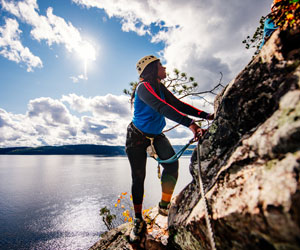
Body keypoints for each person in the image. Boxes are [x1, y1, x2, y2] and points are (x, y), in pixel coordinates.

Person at [125, 55, 214, 242]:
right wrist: (191, 125)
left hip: (156, 136)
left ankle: (164, 206)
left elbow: (177, 105)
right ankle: (138, 219)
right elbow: (161, 107)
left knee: (172, 166)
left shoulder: (159, 87)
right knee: (138, 177)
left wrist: (206, 115)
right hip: (137, 138)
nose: (164, 68)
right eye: (160, 65)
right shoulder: (143, 88)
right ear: (151, 69)